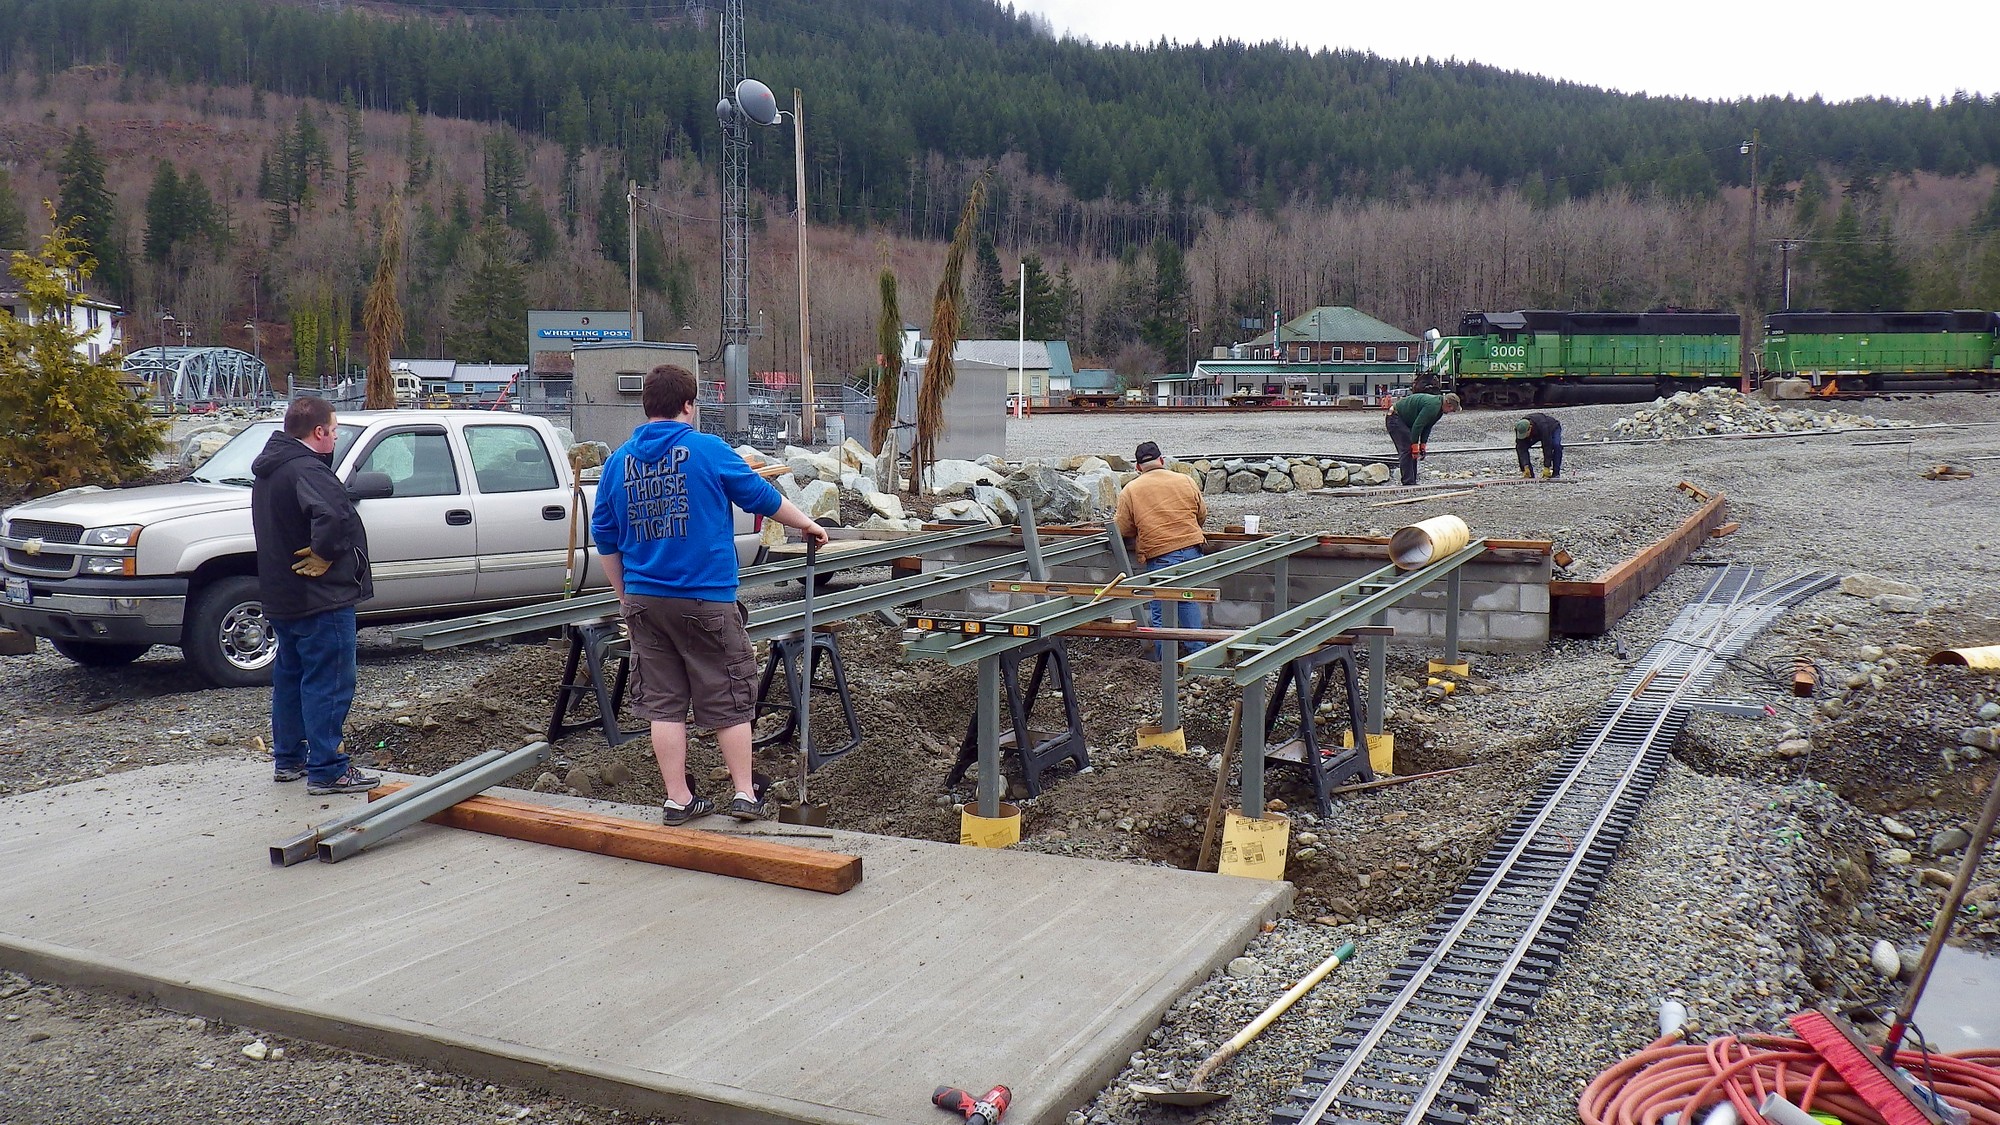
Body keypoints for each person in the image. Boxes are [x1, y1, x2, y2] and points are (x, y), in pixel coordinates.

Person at [591, 364, 829, 826]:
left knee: (664, 704)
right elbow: (758, 495)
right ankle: (744, 793)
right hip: (705, 599)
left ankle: (678, 799)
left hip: (645, 601)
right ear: (688, 405)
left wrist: (625, 597)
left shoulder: (618, 462)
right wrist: (806, 523)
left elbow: (605, 536)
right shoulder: (706, 449)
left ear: (647, 405)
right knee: (728, 695)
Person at [250, 395, 380, 795]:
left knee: (291, 678)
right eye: (335, 430)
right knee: (329, 681)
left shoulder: (270, 470)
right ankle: (328, 769)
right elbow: (335, 515)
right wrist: (325, 554)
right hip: (321, 598)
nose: (336, 437)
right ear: (319, 431)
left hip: (283, 597)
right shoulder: (307, 469)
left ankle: (289, 758)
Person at [1114, 440, 1209, 660]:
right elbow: (1201, 514)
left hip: (1160, 554)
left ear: (1138, 467)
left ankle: (1164, 661)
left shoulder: (1131, 490)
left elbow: (1123, 528)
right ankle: (1198, 656)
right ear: (1162, 460)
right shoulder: (1185, 480)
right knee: (1187, 599)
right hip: (1192, 550)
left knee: (1160, 607)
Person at [1385, 391, 1460, 486]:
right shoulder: (1433, 406)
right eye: (1452, 409)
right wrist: (1415, 445)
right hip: (1395, 418)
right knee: (1407, 450)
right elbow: (1417, 426)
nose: (1451, 412)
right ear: (1448, 404)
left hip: (1404, 421)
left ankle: (1412, 481)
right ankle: (1408, 482)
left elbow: (1427, 427)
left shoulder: (1439, 411)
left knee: (1411, 450)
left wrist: (1422, 445)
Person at [1515, 412, 1564, 478]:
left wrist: (1547, 466)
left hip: (1552, 428)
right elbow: (1521, 447)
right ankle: (1530, 474)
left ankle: (1556, 473)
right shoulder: (1520, 427)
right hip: (1536, 432)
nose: (1524, 436)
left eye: (1525, 434)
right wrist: (1525, 466)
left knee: (1556, 446)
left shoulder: (1543, 426)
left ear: (1530, 428)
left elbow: (1547, 446)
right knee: (1520, 447)